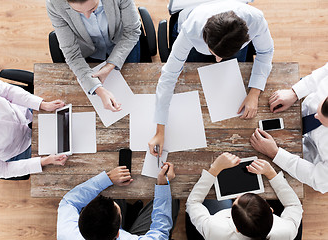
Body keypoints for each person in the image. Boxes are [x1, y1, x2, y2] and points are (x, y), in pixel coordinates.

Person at [149, 0, 274, 156]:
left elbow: (266, 52)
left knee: (231, 73)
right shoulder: (191, 28)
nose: (218, 60)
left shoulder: (255, 19)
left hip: (227, 40)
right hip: (194, 32)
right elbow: (168, 75)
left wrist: (254, 92)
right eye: (215, 54)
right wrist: (160, 130)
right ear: (205, 37)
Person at [46, 0, 141, 112]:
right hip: (89, 51)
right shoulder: (55, 4)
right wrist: (99, 90)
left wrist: (110, 65)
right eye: (78, 12)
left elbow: (132, 32)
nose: (87, 16)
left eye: (93, 9)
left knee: (135, 88)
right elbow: (72, 55)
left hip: (123, 43)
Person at [186, 152, 303, 239]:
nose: (238, 196)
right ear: (270, 209)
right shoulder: (286, 232)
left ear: (236, 228)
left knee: (215, 197)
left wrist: (215, 169)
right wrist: (271, 174)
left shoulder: (214, 229)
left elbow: (193, 203)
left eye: (235, 202)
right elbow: (294, 205)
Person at [250, 63, 328, 193]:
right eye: (318, 110)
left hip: (309, 156)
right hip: (298, 107)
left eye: (324, 121)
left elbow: (319, 180)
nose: (315, 116)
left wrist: (275, 153)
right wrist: (295, 92)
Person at [0, 76, 68, 179]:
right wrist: (45, 161)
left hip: (24, 112)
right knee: (68, 155)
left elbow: (8, 91)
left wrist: (41, 104)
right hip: (18, 148)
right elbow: (4, 170)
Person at [57, 163, 177, 240]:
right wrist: (162, 185)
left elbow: (68, 202)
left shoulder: (67, 234)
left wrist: (107, 178)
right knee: (172, 201)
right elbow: (160, 232)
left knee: (113, 191)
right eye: (118, 211)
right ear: (118, 234)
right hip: (137, 236)